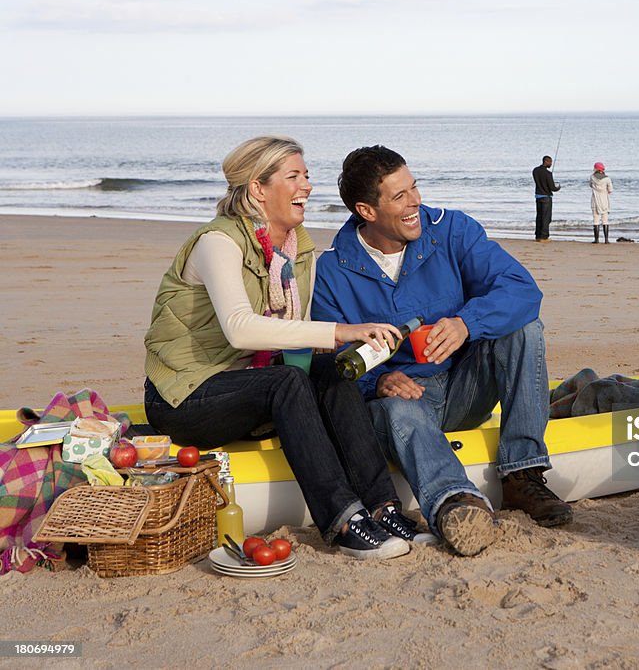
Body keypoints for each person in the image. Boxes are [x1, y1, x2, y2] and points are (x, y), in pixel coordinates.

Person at [143, 136, 420, 560]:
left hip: (248, 386)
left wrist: (344, 350)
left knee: (331, 373)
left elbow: (297, 333)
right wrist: (342, 331)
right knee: (290, 382)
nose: (306, 186)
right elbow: (240, 330)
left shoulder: (296, 250)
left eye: (306, 176)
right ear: (258, 188)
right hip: (184, 396)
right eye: (294, 176)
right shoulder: (219, 241)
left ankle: (383, 509)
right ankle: (344, 520)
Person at [312, 145, 573, 557]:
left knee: (523, 328)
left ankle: (523, 475)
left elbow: (522, 290)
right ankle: (456, 503)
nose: (415, 201)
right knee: (397, 407)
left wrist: (468, 323)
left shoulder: (452, 230)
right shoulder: (330, 271)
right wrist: (377, 381)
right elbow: (323, 361)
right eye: (399, 196)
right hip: (403, 405)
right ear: (366, 210)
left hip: (467, 384)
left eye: (413, 187)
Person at [532, 155, 560, 242]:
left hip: (538, 196)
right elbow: (552, 188)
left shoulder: (535, 171)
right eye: (550, 162)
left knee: (539, 216)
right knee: (546, 218)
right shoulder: (548, 174)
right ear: (546, 161)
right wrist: (558, 187)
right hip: (546, 197)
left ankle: (538, 235)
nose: (551, 164)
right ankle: (544, 236)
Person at [590, 162, 613, 244]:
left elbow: (590, 185)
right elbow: (610, 190)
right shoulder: (607, 179)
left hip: (595, 200)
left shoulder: (592, 177)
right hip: (604, 200)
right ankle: (606, 240)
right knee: (605, 220)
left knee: (596, 220)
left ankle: (596, 240)